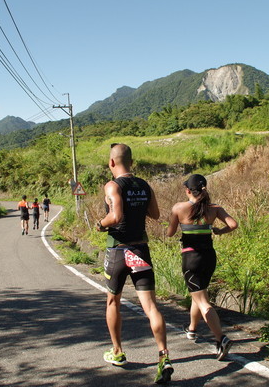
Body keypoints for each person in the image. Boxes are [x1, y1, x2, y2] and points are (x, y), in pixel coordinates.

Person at [96, 143, 174, 384]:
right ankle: (164, 357)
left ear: (111, 163)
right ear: (132, 162)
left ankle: (117, 352)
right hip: (140, 249)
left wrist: (101, 223)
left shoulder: (112, 185)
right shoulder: (144, 185)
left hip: (119, 251)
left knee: (113, 301)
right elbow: (156, 214)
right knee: (151, 307)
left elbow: (116, 216)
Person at [167, 174, 238, 360]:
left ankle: (221, 338)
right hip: (209, 257)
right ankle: (192, 329)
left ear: (188, 191)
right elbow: (233, 224)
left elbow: (170, 233)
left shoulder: (179, 208)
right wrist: (218, 231)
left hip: (191, 259)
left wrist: (175, 222)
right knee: (199, 294)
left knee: (203, 301)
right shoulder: (214, 209)